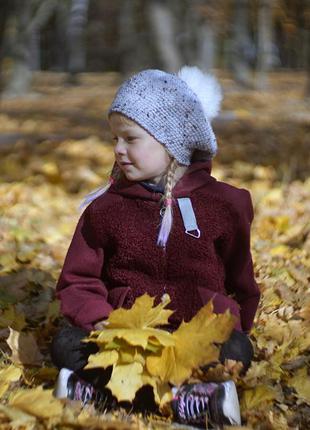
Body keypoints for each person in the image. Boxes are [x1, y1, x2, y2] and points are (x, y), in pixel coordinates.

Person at [51, 66, 260, 428]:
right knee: (68, 344)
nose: (118, 150)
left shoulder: (223, 205)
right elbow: (78, 280)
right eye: (114, 139)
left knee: (238, 350)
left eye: (130, 139)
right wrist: (98, 319)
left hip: (194, 336)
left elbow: (240, 277)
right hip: (125, 336)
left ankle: (164, 396)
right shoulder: (106, 210)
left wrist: (236, 323)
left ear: (172, 142)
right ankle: (157, 396)